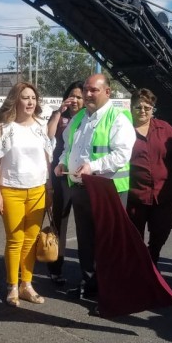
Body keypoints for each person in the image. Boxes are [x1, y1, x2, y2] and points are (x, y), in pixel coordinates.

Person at [55, 73, 136, 298]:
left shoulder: (119, 118)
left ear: (107, 92)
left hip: (107, 191)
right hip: (80, 188)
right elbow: (67, 146)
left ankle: (110, 293)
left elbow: (122, 155)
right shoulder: (79, 116)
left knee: (107, 245)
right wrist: (62, 163)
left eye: (94, 90)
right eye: (86, 89)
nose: (87, 94)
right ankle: (89, 285)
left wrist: (94, 166)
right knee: (87, 242)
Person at [0, 81, 52, 307]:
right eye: (25, 97)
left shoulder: (41, 126)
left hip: (37, 191)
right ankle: (12, 286)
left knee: (31, 241)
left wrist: (49, 189)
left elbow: (47, 160)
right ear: (16, 100)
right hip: (11, 190)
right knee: (15, 240)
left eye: (33, 98)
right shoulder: (4, 127)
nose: (30, 102)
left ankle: (27, 285)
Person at [126, 88, 172, 266]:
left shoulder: (165, 128)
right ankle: (140, 268)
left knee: (161, 232)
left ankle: (152, 259)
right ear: (131, 108)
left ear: (153, 109)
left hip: (164, 195)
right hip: (134, 195)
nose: (143, 111)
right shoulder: (123, 130)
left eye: (148, 107)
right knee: (134, 236)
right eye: (138, 107)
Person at [45, 81, 84, 283]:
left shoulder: (88, 118)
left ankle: (87, 270)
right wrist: (59, 111)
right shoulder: (61, 116)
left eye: (79, 96)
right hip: (61, 174)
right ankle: (55, 266)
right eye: (72, 96)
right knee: (60, 221)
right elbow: (48, 135)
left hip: (82, 175)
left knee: (84, 223)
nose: (75, 100)